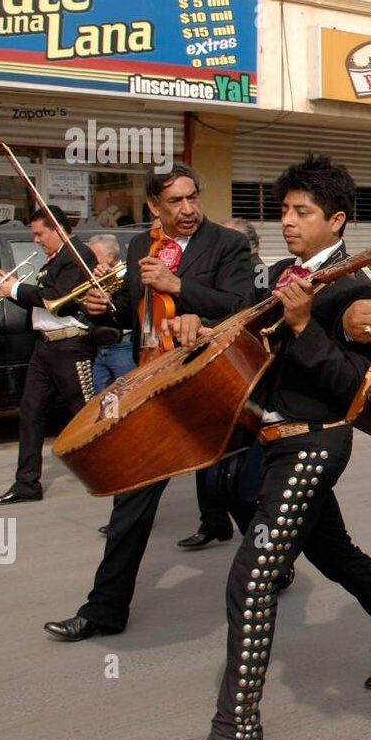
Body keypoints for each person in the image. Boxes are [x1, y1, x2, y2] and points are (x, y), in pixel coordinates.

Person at [202, 154, 371, 740]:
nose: (288, 220)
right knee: (336, 555)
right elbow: (240, 325)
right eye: (283, 210)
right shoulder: (279, 273)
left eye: (302, 211)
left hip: (314, 442)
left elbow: (350, 390)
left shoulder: (353, 287)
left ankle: (236, 727)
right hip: (270, 439)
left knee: (253, 576)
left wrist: (307, 327)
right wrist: (198, 327)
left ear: (336, 221)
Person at [42, 164, 254, 642]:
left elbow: (242, 304)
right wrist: (103, 308)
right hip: (152, 388)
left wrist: (179, 286)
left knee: (234, 487)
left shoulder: (227, 244)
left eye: (192, 197)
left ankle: (274, 562)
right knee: (131, 493)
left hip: (204, 386)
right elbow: (136, 311)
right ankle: (104, 609)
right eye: (175, 202)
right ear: (153, 208)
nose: (188, 209)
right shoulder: (141, 247)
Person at [0, 206, 100, 504]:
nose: (35, 240)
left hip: (70, 346)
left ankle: (112, 470)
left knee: (85, 415)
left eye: (39, 233)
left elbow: (58, 301)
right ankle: (26, 484)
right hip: (45, 346)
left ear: (59, 229)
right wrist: (9, 291)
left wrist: (17, 289)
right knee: (30, 413)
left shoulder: (78, 255)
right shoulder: (53, 259)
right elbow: (41, 304)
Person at [177, 217, 268, 552]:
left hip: (245, 378)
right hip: (218, 373)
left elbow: (248, 320)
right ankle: (213, 520)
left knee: (237, 471)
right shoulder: (228, 274)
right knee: (209, 454)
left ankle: (260, 543)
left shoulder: (260, 275)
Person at [86, 234, 135, 394]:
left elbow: (126, 307)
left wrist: (106, 290)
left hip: (123, 345)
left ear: (110, 256)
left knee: (127, 394)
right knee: (102, 399)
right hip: (102, 346)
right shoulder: (97, 276)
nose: (91, 261)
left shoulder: (127, 275)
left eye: (95, 256)